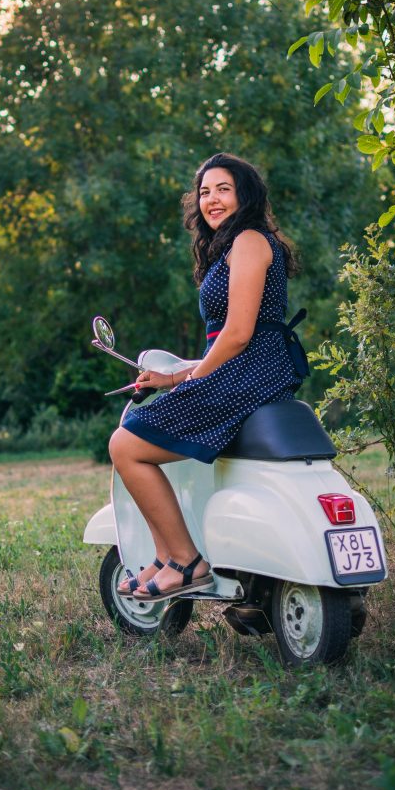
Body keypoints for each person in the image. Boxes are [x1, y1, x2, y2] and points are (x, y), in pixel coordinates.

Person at [108, 152, 301, 603]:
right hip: (249, 367)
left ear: (245, 195)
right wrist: (174, 377)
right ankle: (164, 556)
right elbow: (231, 341)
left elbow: (238, 335)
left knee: (126, 445)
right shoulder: (233, 246)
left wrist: (195, 381)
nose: (211, 200)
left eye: (223, 190)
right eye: (204, 192)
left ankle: (186, 560)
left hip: (252, 372)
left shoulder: (249, 240)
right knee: (130, 437)